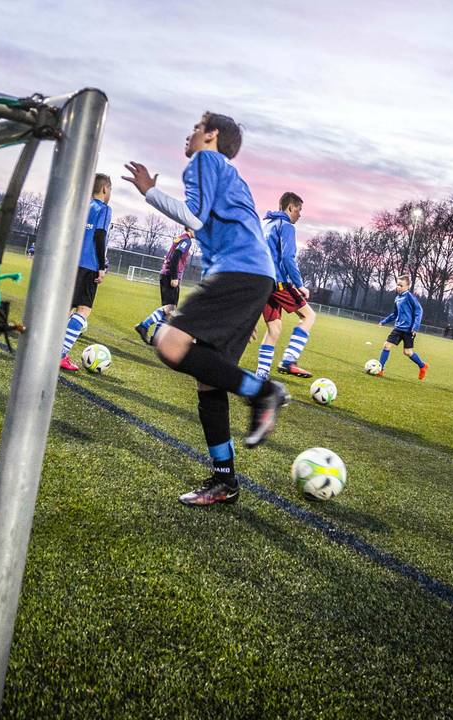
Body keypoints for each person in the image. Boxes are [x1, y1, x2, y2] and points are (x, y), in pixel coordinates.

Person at [122, 111, 288, 507]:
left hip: (239, 271)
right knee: (209, 379)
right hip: (253, 277)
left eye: (197, 128)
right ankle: (224, 481)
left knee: (170, 343)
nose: (191, 134)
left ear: (211, 135)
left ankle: (264, 392)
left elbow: (194, 216)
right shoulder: (230, 175)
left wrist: (149, 191)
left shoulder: (205, 160)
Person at [253, 192, 316, 379]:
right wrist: (299, 284)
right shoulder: (286, 226)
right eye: (299, 210)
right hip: (277, 282)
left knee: (274, 328)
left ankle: (261, 374)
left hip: (261, 282)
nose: (300, 215)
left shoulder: (265, 224)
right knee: (309, 316)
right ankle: (289, 360)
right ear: (290, 207)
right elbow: (288, 257)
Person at [59, 174, 112, 371]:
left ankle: (47, 348)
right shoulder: (104, 209)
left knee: (66, 308)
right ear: (105, 189)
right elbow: (100, 236)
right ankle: (60, 354)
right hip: (89, 265)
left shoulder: (81, 206)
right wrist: (102, 266)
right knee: (83, 310)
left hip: (69, 262)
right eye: (110, 189)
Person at [134, 227, 194, 345]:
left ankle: (155, 339)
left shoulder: (181, 238)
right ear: (190, 227)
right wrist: (174, 276)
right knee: (170, 308)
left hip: (166, 274)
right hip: (170, 275)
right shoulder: (186, 240)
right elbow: (176, 256)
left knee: (168, 310)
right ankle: (144, 325)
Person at [375, 276, 428, 380]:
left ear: (407, 286)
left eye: (401, 285)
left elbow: (419, 311)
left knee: (407, 352)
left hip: (409, 330)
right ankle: (380, 369)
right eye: (397, 285)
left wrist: (415, 327)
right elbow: (395, 314)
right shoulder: (397, 298)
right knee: (386, 345)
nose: (398, 287)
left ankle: (422, 366)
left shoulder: (409, 296)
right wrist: (383, 322)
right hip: (398, 328)